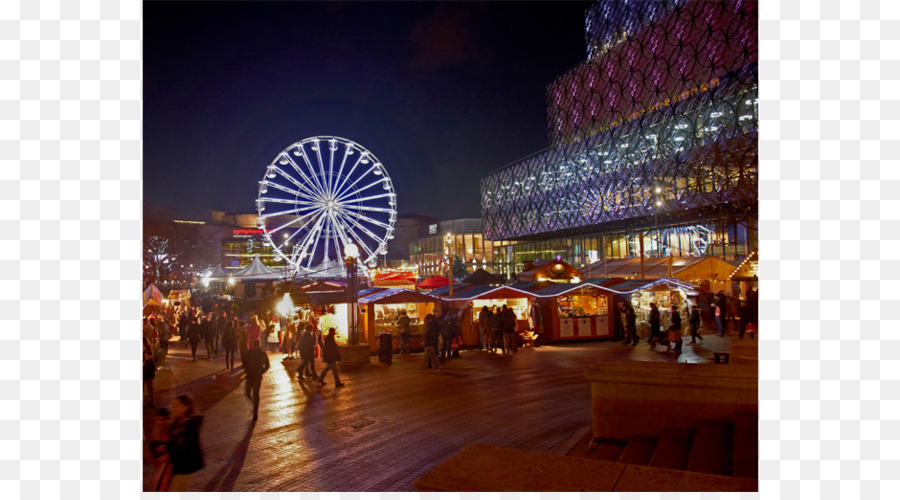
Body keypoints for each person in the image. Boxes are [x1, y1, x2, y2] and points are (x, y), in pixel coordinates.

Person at [166, 394, 204, 492]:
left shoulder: (191, 425)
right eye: (173, 405)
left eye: (176, 405)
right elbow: (173, 442)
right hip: (178, 465)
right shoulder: (177, 421)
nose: (173, 408)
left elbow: (189, 447)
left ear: (186, 407)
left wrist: (170, 456)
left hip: (187, 465)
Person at [243, 340, 270, 419]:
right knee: (247, 392)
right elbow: (244, 361)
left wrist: (261, 371)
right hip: (249, 376)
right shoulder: (248, 353)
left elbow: (267, 365)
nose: (255, 347)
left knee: (255, 394)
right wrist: (246, 369)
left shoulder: (262, 354)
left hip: (257, 377)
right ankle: (254, 403)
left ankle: (255, 411)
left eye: (256, 346)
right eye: (254, 346)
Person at [149, 407, 173, 491]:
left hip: (169, 467)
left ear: (167, 419)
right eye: (157, 420)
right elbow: (153, 456)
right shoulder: (154, 432)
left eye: (161, 420)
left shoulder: (170, 431)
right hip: (160, 468)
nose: (159, 422)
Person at [143, 338, 156, 407]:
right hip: (144, 371)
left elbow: (147, 359)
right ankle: (151, 401)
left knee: (150, 387)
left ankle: (152, 402)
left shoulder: (148, 350)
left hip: (148, 371)